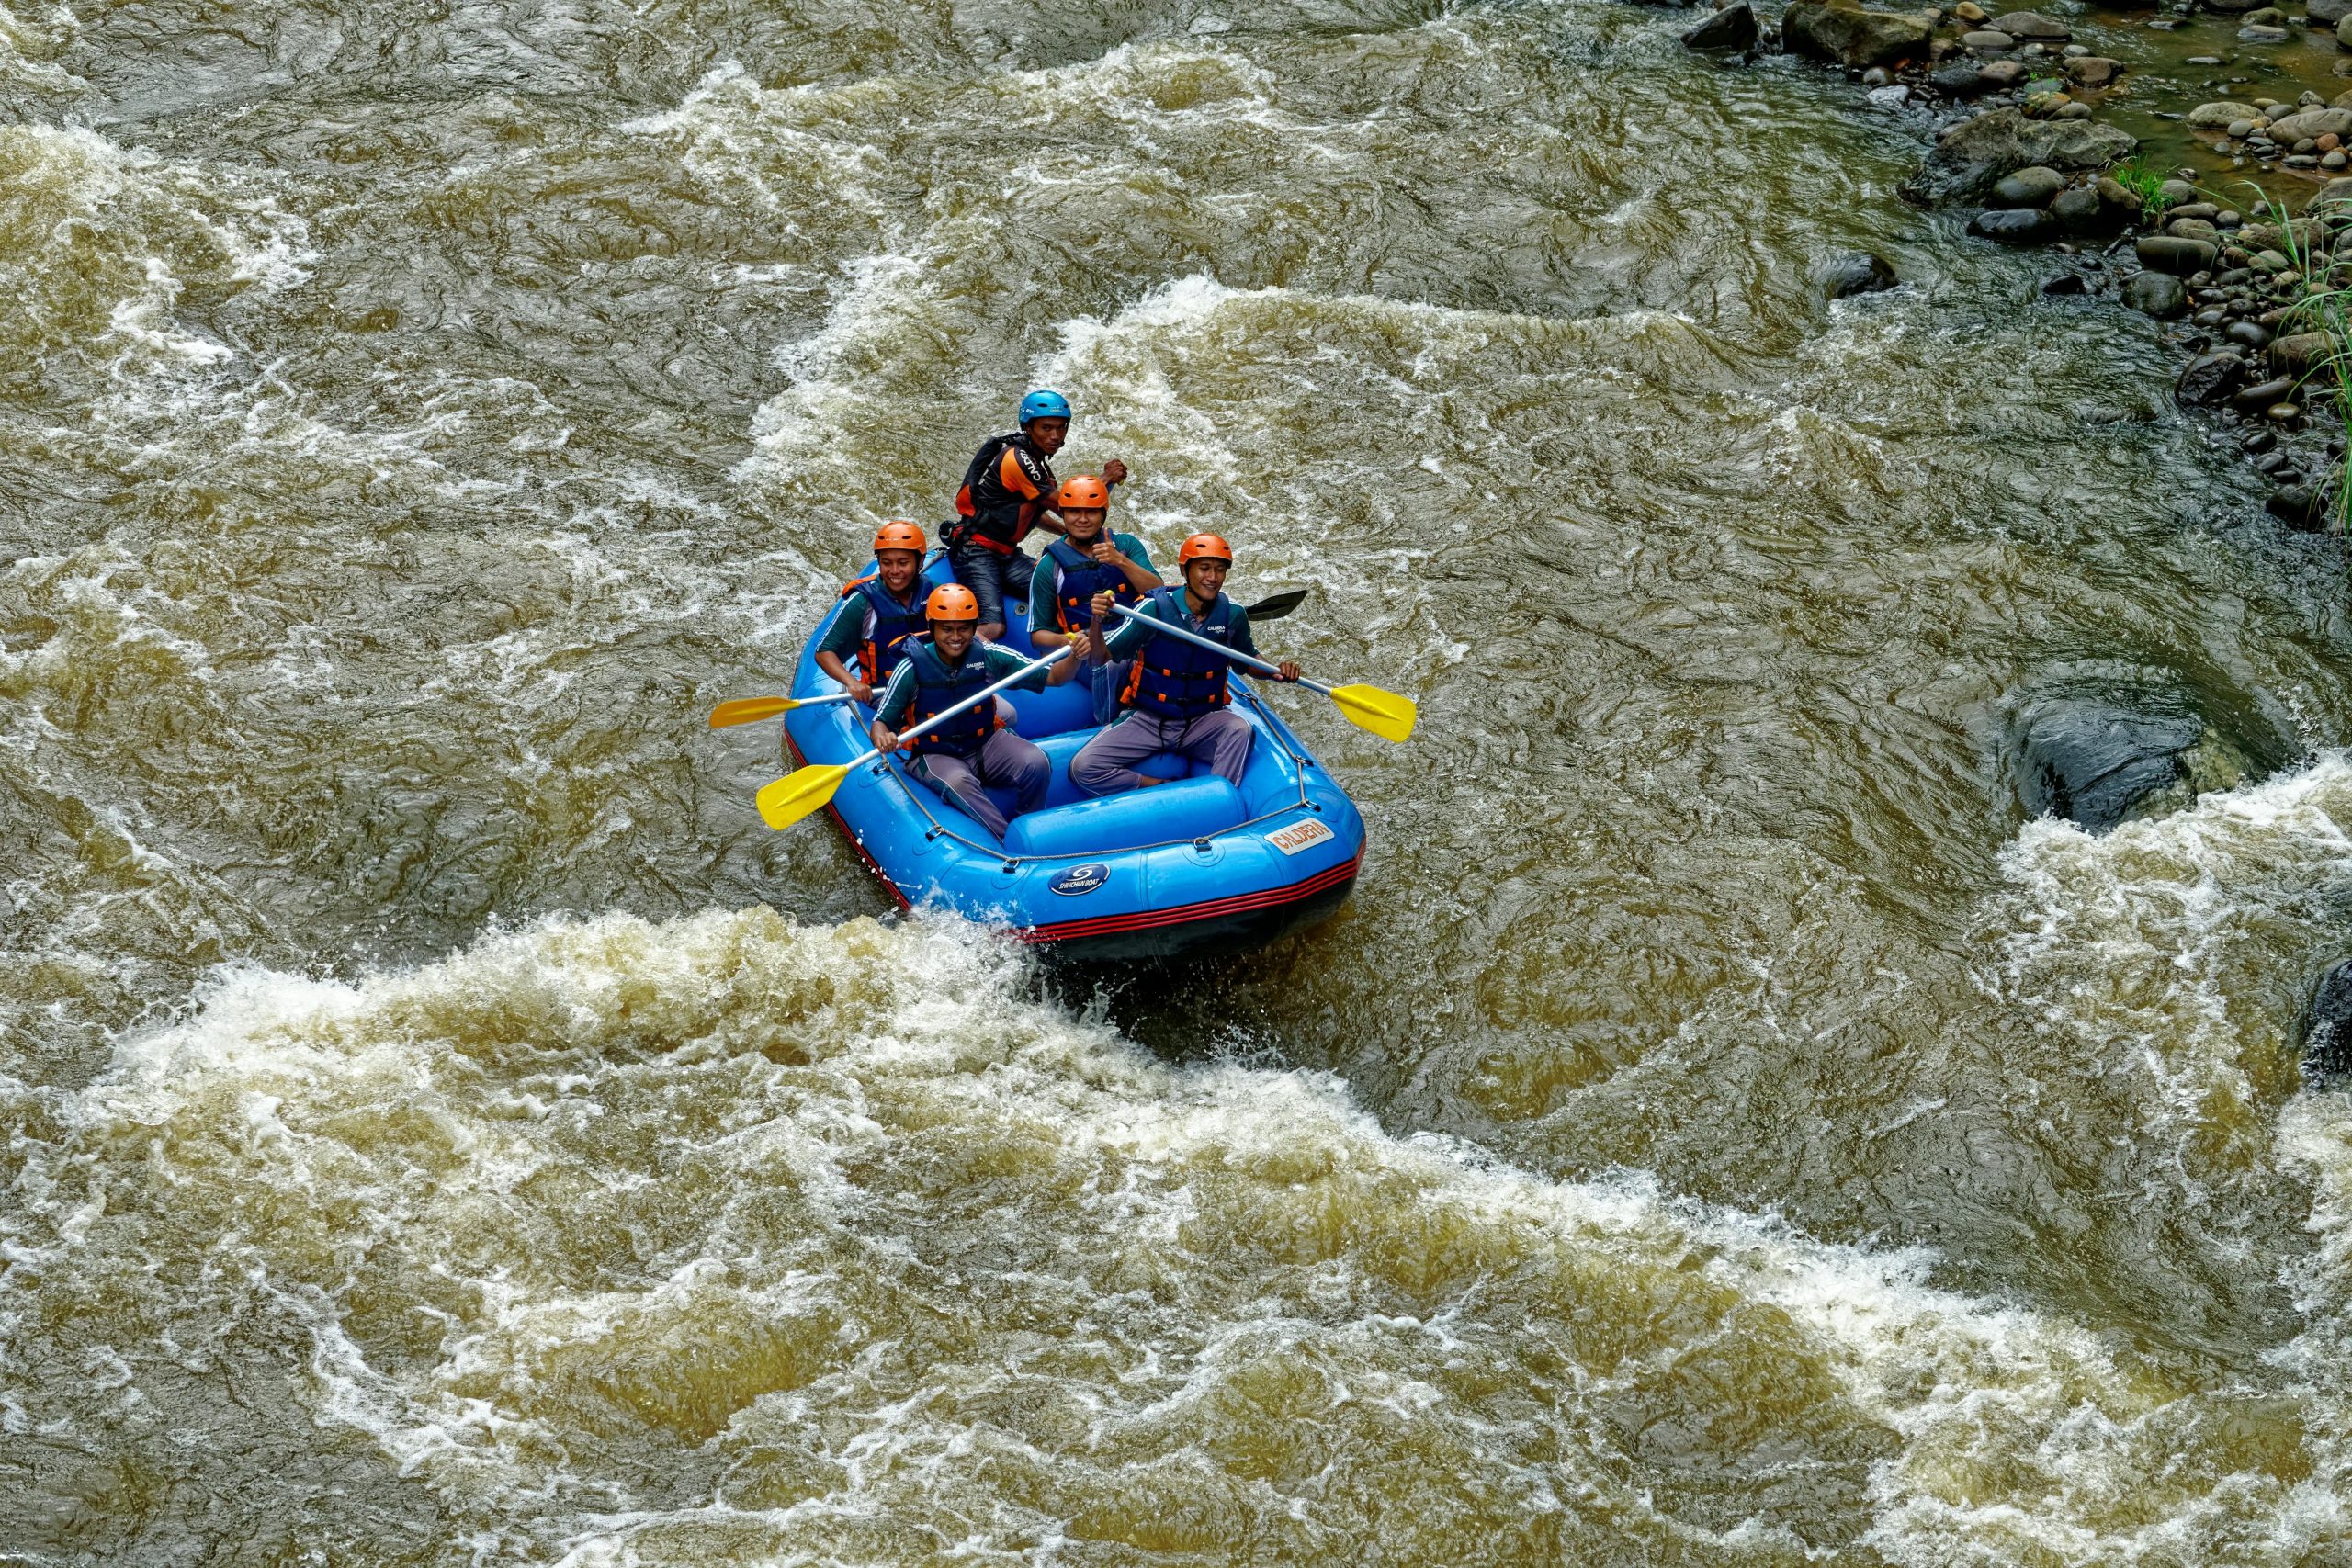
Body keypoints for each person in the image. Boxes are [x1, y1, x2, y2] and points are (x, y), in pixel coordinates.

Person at [1072, 534, 1299, 796]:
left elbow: (1248, 661)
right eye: (1204, 568)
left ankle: (1215, 799)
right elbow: (1100, 658)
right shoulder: (1152, 610)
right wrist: (1097, 622)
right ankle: (1157, 786)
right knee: (1083, 766)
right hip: (1149, 719)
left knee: (1240, 729)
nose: (1212, 578)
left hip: (1202, 721)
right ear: (1185, 570)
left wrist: (1275, 672)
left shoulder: (1232, 615)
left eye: (1220, 570)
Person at [871, 583, 1081, 841]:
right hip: (934, 753)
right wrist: (883, 737)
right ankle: (1007, 841)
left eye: (964, 629)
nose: (956, 637)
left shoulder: (989, 655)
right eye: (947, 629)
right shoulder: (910, 668)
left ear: (974, 627)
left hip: (985, 742)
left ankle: (1027, 827)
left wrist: (1076, 656)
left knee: (1036, 762)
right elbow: (881, 723)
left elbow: (1055, 677)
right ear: (933, 626)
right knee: (959, 782)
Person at [946, 389, 1128, 643]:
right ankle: (949, 666)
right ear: (1028, 428)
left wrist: (1064, 532)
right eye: (1046, 428)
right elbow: (1068, 504)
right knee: (994, 628)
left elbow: (1031, 511)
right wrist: (1106, 478)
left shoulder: (1037, 461)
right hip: (976, 552)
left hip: (1006, 555)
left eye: (1060, 428)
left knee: (1059, 590)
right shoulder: (1019, 460)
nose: (1055, 436)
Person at [1026, 474, 1162, 723]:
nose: (1082, 519)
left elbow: (1157, 593)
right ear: (1063, 515)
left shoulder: (1125, 546)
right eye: (1074, 512)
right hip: (1087, 653)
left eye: (1090, 512)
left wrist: (1120, 561)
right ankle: (1109, 723)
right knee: (1109, 663)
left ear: (1103, 515)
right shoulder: (1049, 567)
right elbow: (1038, 637)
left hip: (1133, 640)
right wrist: (1070, 641)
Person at [813, 521, 931, 705]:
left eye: (903, 563)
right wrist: (852, 682)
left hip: (933, 684)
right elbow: (824, 652)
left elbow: (964, 630)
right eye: (886, 563)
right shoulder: (863, 603)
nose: (894, 571)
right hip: (884, 693)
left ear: (920, 561)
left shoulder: (934, 593)